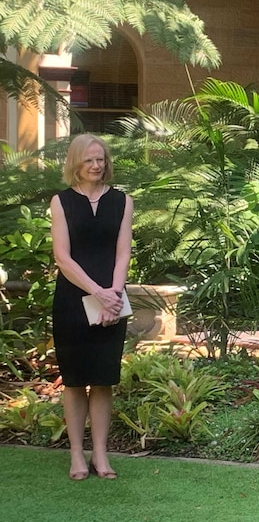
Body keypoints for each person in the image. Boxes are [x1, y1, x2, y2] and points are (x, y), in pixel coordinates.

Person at [50, 134, 133, 480]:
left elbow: (123, 251)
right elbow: (62, 258)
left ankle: (100, 454)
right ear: (75, 164)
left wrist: (113, 293)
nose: (97, 166)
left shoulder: (122, 201)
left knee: (102, 380)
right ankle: (76, 456)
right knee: (74, 380)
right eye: (89, 160)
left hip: (112, 302)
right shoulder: (61, 202)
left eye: (100, 159)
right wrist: (98, 292)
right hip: (73, 301)